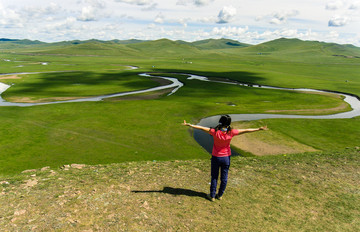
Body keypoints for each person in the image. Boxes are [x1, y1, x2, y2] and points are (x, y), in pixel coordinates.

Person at [183, 115, 268, 202]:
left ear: (220, 122)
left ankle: (212, 196)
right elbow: (246, 130)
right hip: (226, 158)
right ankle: (220, 195)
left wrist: (190, 125)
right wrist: (259, 129)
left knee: (214, 177)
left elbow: (201, 128)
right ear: (228, 123)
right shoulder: (231, 132)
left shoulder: (214, 131)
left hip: (216, 157)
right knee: (224, 177)